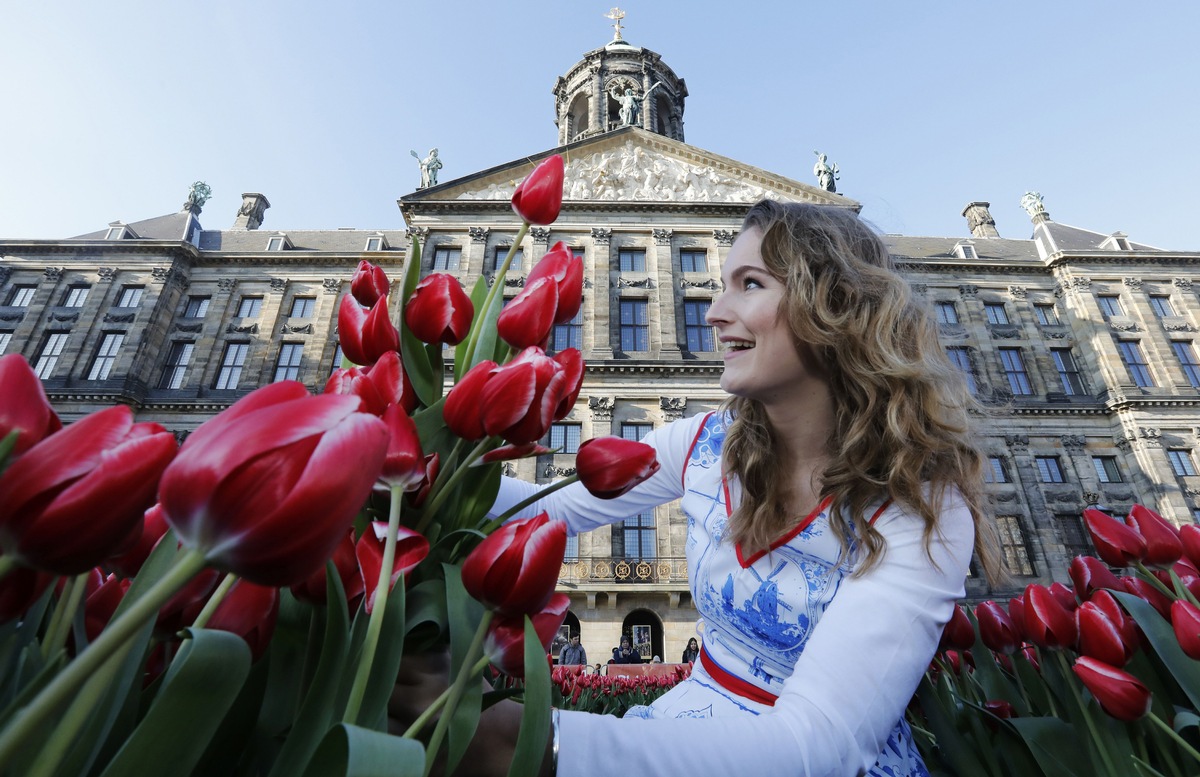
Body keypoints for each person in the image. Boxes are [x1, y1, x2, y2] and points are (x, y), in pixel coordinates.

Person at [394, 200, 1002, 776]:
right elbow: (540, 508)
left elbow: (816, 746)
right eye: (720, 282)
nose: (712, 311)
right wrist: (398, 459)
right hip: (685, 729)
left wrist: (537, 740)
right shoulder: (706, 442)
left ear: (835, 305)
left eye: (750, 284)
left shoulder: (922, 506)